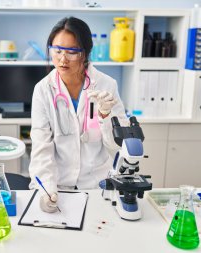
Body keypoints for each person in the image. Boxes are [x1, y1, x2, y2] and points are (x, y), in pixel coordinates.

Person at [28, 17, 128, 213]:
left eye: (72, 52)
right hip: (59, 186)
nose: (63, 59)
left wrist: (104, 115)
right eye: (57, 51)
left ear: (85, 53)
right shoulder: (43, 90)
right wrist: (47, 189)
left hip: (96, 186)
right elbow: (41, 147)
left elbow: (117, 146)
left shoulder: (107, 85)